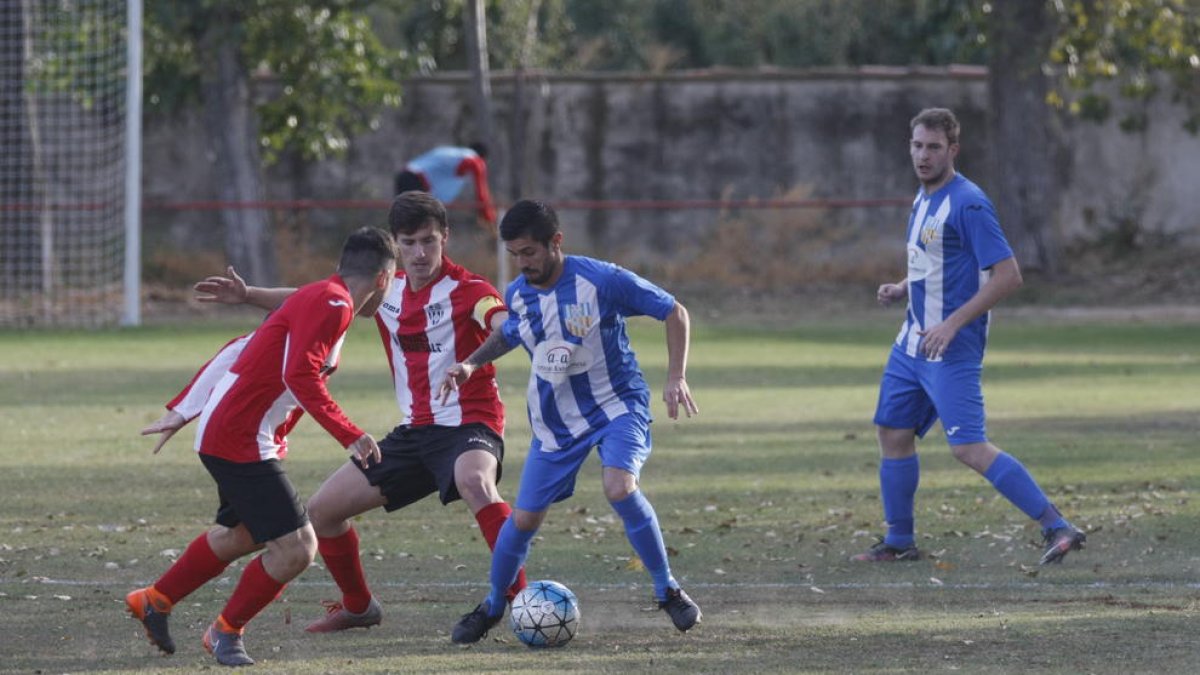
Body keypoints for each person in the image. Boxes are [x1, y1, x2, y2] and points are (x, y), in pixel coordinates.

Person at [137, 191, 527, 640]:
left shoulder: (471, 290)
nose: (420, 253)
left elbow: (504, 325)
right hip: (415, 432)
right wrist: (248, 295)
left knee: (474, 481)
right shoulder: (389, 288)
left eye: (429, 241)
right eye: (409, 242)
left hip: (469, 425)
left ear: (445, 238)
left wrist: (473, 362)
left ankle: (522, 600)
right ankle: (359, 607)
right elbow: (316, 299)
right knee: (321, 514)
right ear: (395, 246)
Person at [125, 227, 397, 667]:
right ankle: (224, 632)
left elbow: (241, 347)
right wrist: (350, 433)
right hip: (240, 440)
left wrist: (186, 408)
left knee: (245, 535)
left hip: (238, 435)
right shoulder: (333, 304)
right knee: (296, 548)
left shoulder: (324, 296)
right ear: (384, 279)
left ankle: (155, 600)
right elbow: (300, 377)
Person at [438, 199, 703, 644]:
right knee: (522, 521)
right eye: (515, 254)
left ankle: (668, 589)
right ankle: (492, 606)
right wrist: (469, 364)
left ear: (555, 242)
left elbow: (674, 311)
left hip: (617, 406)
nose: (523, 263)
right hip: (555, 423)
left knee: (619, 486)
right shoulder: (519, 292)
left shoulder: (602, 280)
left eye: (530, 252)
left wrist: (676, 376)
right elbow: (509, 333)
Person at [855, 107, 1086, 566]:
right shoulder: (923, 199)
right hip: (910, 344)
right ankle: (900, 542)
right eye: (917, 145)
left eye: (934, 147)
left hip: (950, 347)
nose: (923, 155)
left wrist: (952, 323)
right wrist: (903, 286)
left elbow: (1008, 276)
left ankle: (1058, 526)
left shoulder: (969, 203)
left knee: (968, 447)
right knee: (893, 432)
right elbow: (933, 260)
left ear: (953, 150)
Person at [395, 144, 497, 226]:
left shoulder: (452, 157)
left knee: (408, 225)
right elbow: (481, 191)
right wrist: (488, 215)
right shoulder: (473, 160)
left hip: (405, 177)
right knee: (420, 226)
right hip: (414, 181)